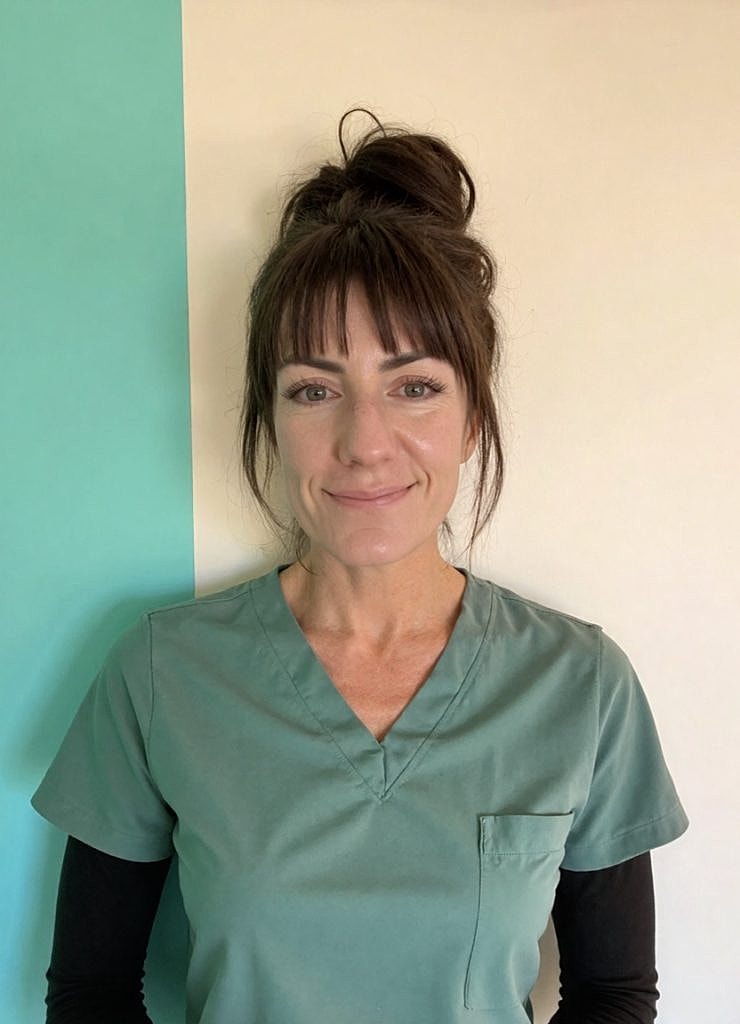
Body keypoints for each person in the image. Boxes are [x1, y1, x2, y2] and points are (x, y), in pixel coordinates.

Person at [33, 111, 688, 1024]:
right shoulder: (161, 677)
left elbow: (615, 995)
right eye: (315, 390)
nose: (364, 443)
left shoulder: (580, 687)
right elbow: (91, 995)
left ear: (471, 415)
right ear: (268, 417)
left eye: (414, 386)